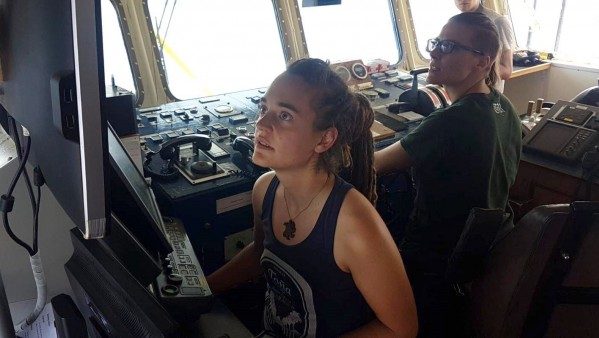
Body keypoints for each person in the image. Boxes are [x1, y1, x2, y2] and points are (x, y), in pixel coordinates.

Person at [207, 58, 418, 337]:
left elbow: (400, 328)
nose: (261, 123)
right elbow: (261, 252)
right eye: (264, 108)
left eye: (285, 116)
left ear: (324, 140)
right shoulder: (265, 189)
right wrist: (201, 289)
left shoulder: (353, 222)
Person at [374, 12, 522, 337]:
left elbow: (374, 166)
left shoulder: (451, 121)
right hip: (487, 246)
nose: (434, 53)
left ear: (482, 62)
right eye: (436, 43)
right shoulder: (503, 107)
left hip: (434, 260)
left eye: (449, 46)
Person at [455, 0, 515, 92]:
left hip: (486, 97)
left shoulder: (498, 21)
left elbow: (506, 71)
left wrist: (469, 71)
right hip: (461, 95)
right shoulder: (454, 24)